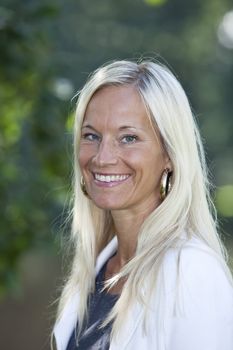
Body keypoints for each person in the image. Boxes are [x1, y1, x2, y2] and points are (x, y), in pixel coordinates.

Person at [52, 60, 233, 350]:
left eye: (128, 138)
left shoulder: (192, 272)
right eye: (91, 136)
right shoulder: (97, 268)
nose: (103, 157)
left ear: (169, 155)